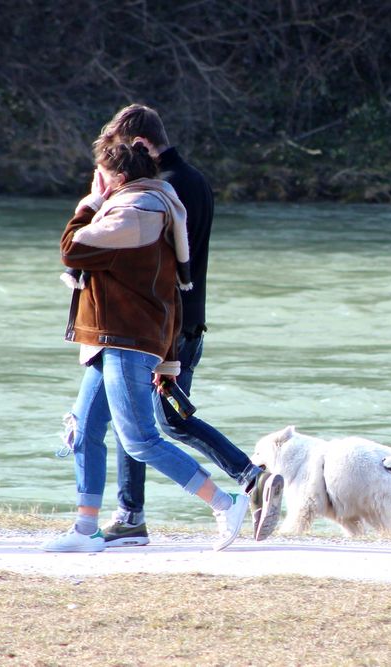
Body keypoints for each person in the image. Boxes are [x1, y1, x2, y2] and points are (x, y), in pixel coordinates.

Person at [87, 104, 283, 547]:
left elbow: (160, 269)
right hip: (189, 321)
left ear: (140, 145)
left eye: (122, 153)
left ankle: (136, 513)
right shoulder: (194, 181)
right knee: (157, 422)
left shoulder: (162, 192)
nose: (121, 167)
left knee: (140, 422)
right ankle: (247, 478)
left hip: (165, 325)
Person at [40, 140, 249, 553]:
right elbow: (170, 291)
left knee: (140, 440)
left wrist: (90, 202)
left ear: (116, 178)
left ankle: (227, 503)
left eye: (100, 174)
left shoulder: (132, 214)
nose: (97, 181)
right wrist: (168, 358)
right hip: (112, 337)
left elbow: (72, 247)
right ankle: (86, 530)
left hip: (125, 338)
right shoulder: (145, 208)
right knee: (84, 431)